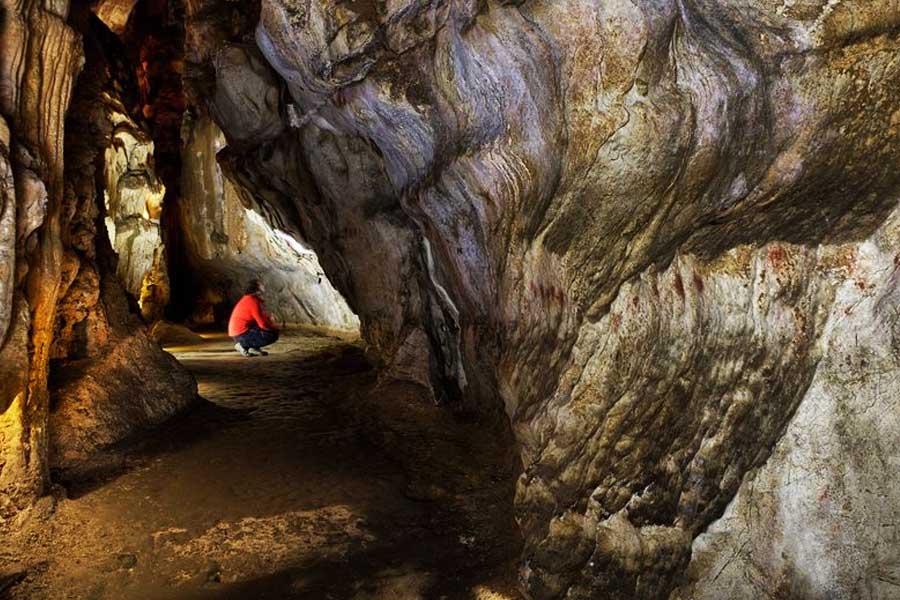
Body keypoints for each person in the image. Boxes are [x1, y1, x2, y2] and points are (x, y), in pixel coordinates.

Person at [228, 279, 280, 356]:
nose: (263, 286)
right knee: (273, 334)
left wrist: (269, 320)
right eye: (260, 285)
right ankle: (243, 345)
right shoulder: (252, 301)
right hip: (241, 334)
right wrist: (274, 327)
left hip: (238, 333)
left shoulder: (250, 299)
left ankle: (253, 348)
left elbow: (260, 319)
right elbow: (262, 324)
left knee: (267, 330)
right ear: (256, 288)